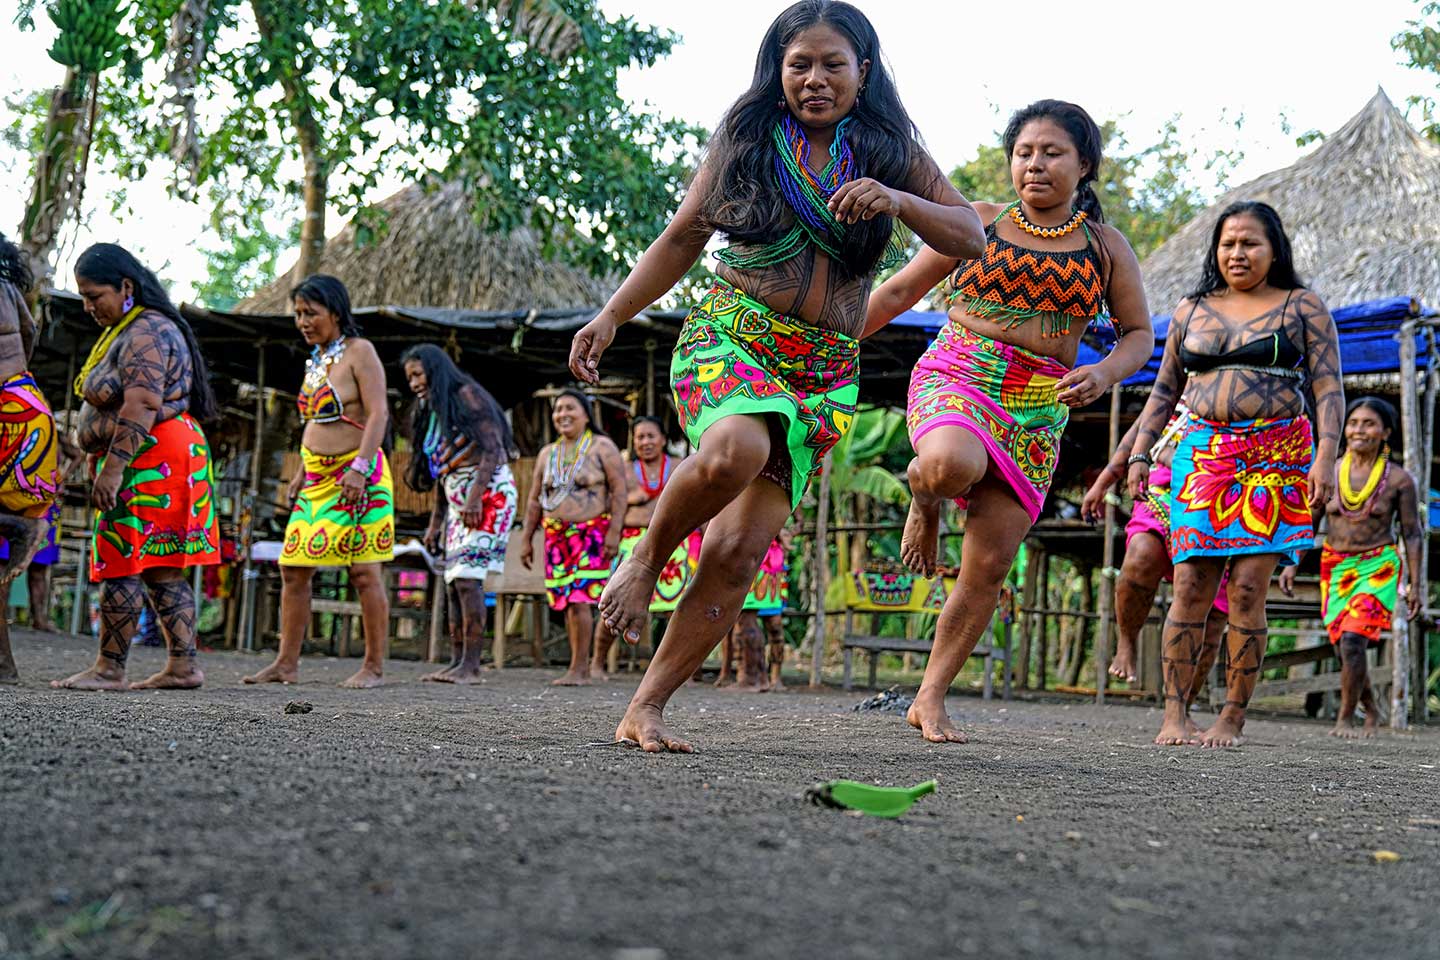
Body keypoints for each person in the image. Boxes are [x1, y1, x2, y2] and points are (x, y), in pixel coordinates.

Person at [568, 0, 986, 751]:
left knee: (736, 554)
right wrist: (611, 315)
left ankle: (646, 707)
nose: (815, 79)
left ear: (865, 71)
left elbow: (969, 235)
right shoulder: (749, 136)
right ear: (777, 70)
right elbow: (682, 237)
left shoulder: (890, 150)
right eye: (800, 65)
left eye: (834, 64)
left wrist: (899, 199)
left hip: (824, 369)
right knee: (737, 450)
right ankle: (645, 559)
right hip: (734, 334)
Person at [866, 99, 1154, 743]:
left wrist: (1105, 372)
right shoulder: (978, 223)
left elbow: (1137, 335)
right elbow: (896, 293)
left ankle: (931, 696)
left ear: (1084, 165)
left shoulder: (1106, 248)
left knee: (989, 566)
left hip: (1040, 404)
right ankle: (924, 491)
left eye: (1052, 153)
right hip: (961, 370)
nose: (1035, 164)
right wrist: (824, 348)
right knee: (946, 465)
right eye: (1024, 152)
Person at [1127, 201, 1343, 747]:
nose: (1238, 253)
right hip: (1202, 457)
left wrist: (1327, 456)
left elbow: (1327, 388)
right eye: (1228, 243)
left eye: (1250, 243)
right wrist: (1139, 453)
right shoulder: (1191, 309)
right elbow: (1164, 390)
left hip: (1277, 457)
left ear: (1275, 250)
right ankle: (1175, 714)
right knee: (1191, 583)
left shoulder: (1303, 307)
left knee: (1248, 588)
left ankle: (1231, 717)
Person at [52, 243, 221, 691]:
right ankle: (183, 667)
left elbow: (143, 402)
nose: (88, 307)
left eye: (94, 296)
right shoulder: (136, 327)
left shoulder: (146, 331)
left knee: (122, 561)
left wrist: (112, 468)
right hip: (165, 452)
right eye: (84, 297)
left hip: (150, 457)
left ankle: (110, 668)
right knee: (161, 565)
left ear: (126, 287)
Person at [243, 275, 393, 689]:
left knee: (363, 572)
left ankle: (374, 667)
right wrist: (303, 471)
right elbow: (316, 421)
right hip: (317, 479)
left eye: (311, 313)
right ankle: (286, 664)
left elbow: (378, 414)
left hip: (359, 476)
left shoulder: (361, 352)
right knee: (293, 567)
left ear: (336, 312)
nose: (303, 321)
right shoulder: (316, 359)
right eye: (298, 314)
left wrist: (360, 468)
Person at [1280, 397, 1422, 738]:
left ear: (1385, 432)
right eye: (1354, 422)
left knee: (1354, 641)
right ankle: (1370, 707)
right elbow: (1308, 522)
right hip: (1335, 566)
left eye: (1368, 423)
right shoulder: (1328, 471)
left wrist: (1415, 584)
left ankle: (1345, 717)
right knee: (1343, 644)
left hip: (1378, 566)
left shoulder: (1400, 481)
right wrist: (1291, 564)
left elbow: (1413, 534)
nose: (1359, 429)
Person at [1083, 402, 1229, 732]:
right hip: (1161, 495)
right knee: (1139, 557)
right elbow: (1134, 439)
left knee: (1212, 613)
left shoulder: (1240, 398)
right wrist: (1103, 483)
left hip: (1219, 504)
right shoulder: (1174, 398)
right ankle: (1127, 641)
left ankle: (1182, 706)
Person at [401, 344, 517, 684]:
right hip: (458, 500)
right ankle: (457, 662)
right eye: (409, 377)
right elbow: (443, 472)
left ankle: (472, 666)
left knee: (468, 579)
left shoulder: (466, 395)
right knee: (453, 582)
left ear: (435, 371)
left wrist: (474, 499)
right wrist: (437, 521)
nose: (413, 383)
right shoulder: (432, 410)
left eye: (418, 374)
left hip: (488, 495)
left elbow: (494, 449)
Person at [517, 389, 627, 685]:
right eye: (557, 410)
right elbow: (534, 499)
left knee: (580, 599)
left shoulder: (602, 447)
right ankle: (578, 665)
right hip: (556, 538)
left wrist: (614, 533)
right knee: (565, 600)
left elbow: (619, 492)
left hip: (591, 534)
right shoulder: (547, 454)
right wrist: (527, 538)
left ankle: (580, 669)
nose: (562, 414)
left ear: (585, 414)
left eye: (569, 408)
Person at [589, 416, 701, 679]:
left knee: (684, 606)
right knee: (616, 601)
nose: (645, 442)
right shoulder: (624, 470)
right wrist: (629, 502)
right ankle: (597, 662)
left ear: (663, 439)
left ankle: (684, 672)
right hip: (632, 543)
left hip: (674, 542)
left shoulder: (678, 467)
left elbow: (697, 501)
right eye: (640, 437)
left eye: (651, 436)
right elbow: (610, 504)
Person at [0, 232, 61, 683]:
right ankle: (3, 663)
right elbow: (30, 334)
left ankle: (19, 526)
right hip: (28, 403)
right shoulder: (10, 291)